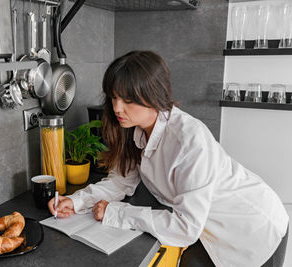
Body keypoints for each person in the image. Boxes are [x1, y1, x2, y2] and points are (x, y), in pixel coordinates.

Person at [47, 51, 289, 266]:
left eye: (128, 100)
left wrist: (116, 213)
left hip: (254, 227)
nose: (117, 108)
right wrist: (77, 201)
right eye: (113, 97)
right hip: (206, 229)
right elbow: (121, 182)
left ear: (153, 96)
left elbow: (185, 228)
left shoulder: (189, 140)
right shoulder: (135, 129)